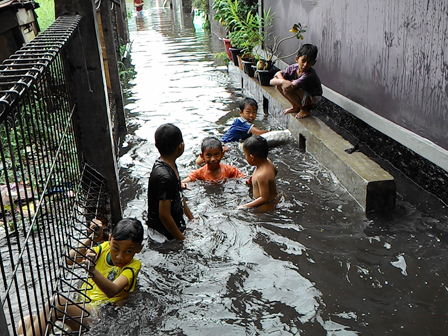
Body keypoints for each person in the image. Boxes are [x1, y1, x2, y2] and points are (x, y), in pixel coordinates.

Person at [18, 218, 144, 336]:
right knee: (25, 323)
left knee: (57, 303)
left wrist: (91, 269)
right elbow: (70, 259)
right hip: (83, 306)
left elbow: (112, 291)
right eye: (116, 248)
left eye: (128, 251)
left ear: (139, 249)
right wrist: (92, 237)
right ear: (110, 239)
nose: (119, 256)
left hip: (103, 315)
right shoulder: (105, 247)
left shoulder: (133, 266)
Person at [147, 123, 193, 241]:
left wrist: (192, 219)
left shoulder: (169, 164)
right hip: (162, 235)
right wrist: (181, 239)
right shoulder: (165, 177)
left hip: (171, 226)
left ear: (157, 146)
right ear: (180, 146)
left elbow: (179, 196)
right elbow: (164, 215)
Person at [196, 98, 267, 165]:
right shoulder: (241, 122)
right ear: (241, 113)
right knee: (201, 161)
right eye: (248, 112)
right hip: (224, 144)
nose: (251, 115)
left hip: (231, 144)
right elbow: (259, 133)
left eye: (254, 112)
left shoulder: (247, 124)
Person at [270, 44, 322, 119]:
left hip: (313, 99)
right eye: (303, 61)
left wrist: (280, 78)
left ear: (313, 63)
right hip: (303, 95)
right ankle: (295, 107)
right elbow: (272, 81)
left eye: (309, 62)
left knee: (287, 88)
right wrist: (282, 81)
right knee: (279, 85)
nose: (305, 65)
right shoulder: (293, 68)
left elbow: (289, 86)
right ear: (297, 59)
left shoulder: (309, 74)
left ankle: (304, 109)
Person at [237, 135, 278, 209]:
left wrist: (244, 206)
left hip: (266, 206)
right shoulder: (268, 162)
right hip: (273, 199)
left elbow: (264, 198)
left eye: (245, 155)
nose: (245, 158)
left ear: (252, 157)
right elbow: (275, 171)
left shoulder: (261, 175)